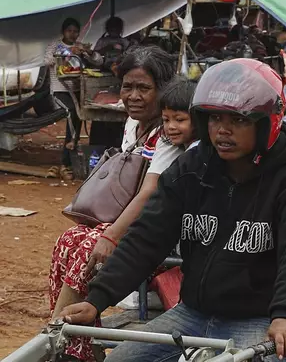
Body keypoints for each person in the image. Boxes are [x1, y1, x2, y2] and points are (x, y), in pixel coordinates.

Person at [56, 59, 286, 362]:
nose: (223, 130)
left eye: (238, 120)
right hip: (192, 313)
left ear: (268, 122)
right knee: (120, 359)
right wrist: (98, 299)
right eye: (214, 119)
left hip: (261, 318)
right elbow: (147, 237)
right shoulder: (192, 167)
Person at [48, 46, 193, 362]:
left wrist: (110, 235)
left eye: (144, 88)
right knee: (67, 241)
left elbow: (148, 193)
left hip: (156, 233)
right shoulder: (132, 124)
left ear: (162, 90)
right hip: (127, 220)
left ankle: (56, 335)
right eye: (128, 86)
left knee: (88, 248)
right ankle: (76, 342)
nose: (134, 95)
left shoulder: (167, 133)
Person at [44, 18, 92, 180]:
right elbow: (47, 61)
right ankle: (70, 147)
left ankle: (67, 161)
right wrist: (67, 55)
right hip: (60, 90)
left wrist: (87, 52)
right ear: (63, 32)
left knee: (78, 119)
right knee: (71, 111)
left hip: (78, 90)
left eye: (75, 31)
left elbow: (92, 63)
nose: (73, 34)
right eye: (70, 31)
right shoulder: (55, 46)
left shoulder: (79, 46)